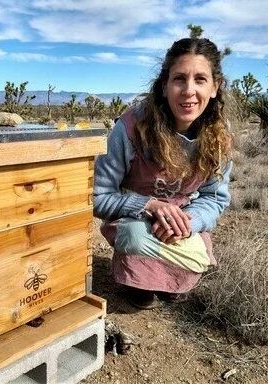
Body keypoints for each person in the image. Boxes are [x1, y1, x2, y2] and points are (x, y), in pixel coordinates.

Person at [93, 37, 233, 309]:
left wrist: (187, 223)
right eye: (179, 79)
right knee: (135, 236)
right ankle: (135, 280)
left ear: (215, 87)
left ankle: (170, 274)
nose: (189, 91)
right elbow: (98, 197)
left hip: (182, 221)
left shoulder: (219, 135)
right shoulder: (132, 127)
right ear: (165, 85)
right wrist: (148, 205)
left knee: (199, 253)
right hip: (135, 220)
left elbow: (214, 198)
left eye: (200, 79)